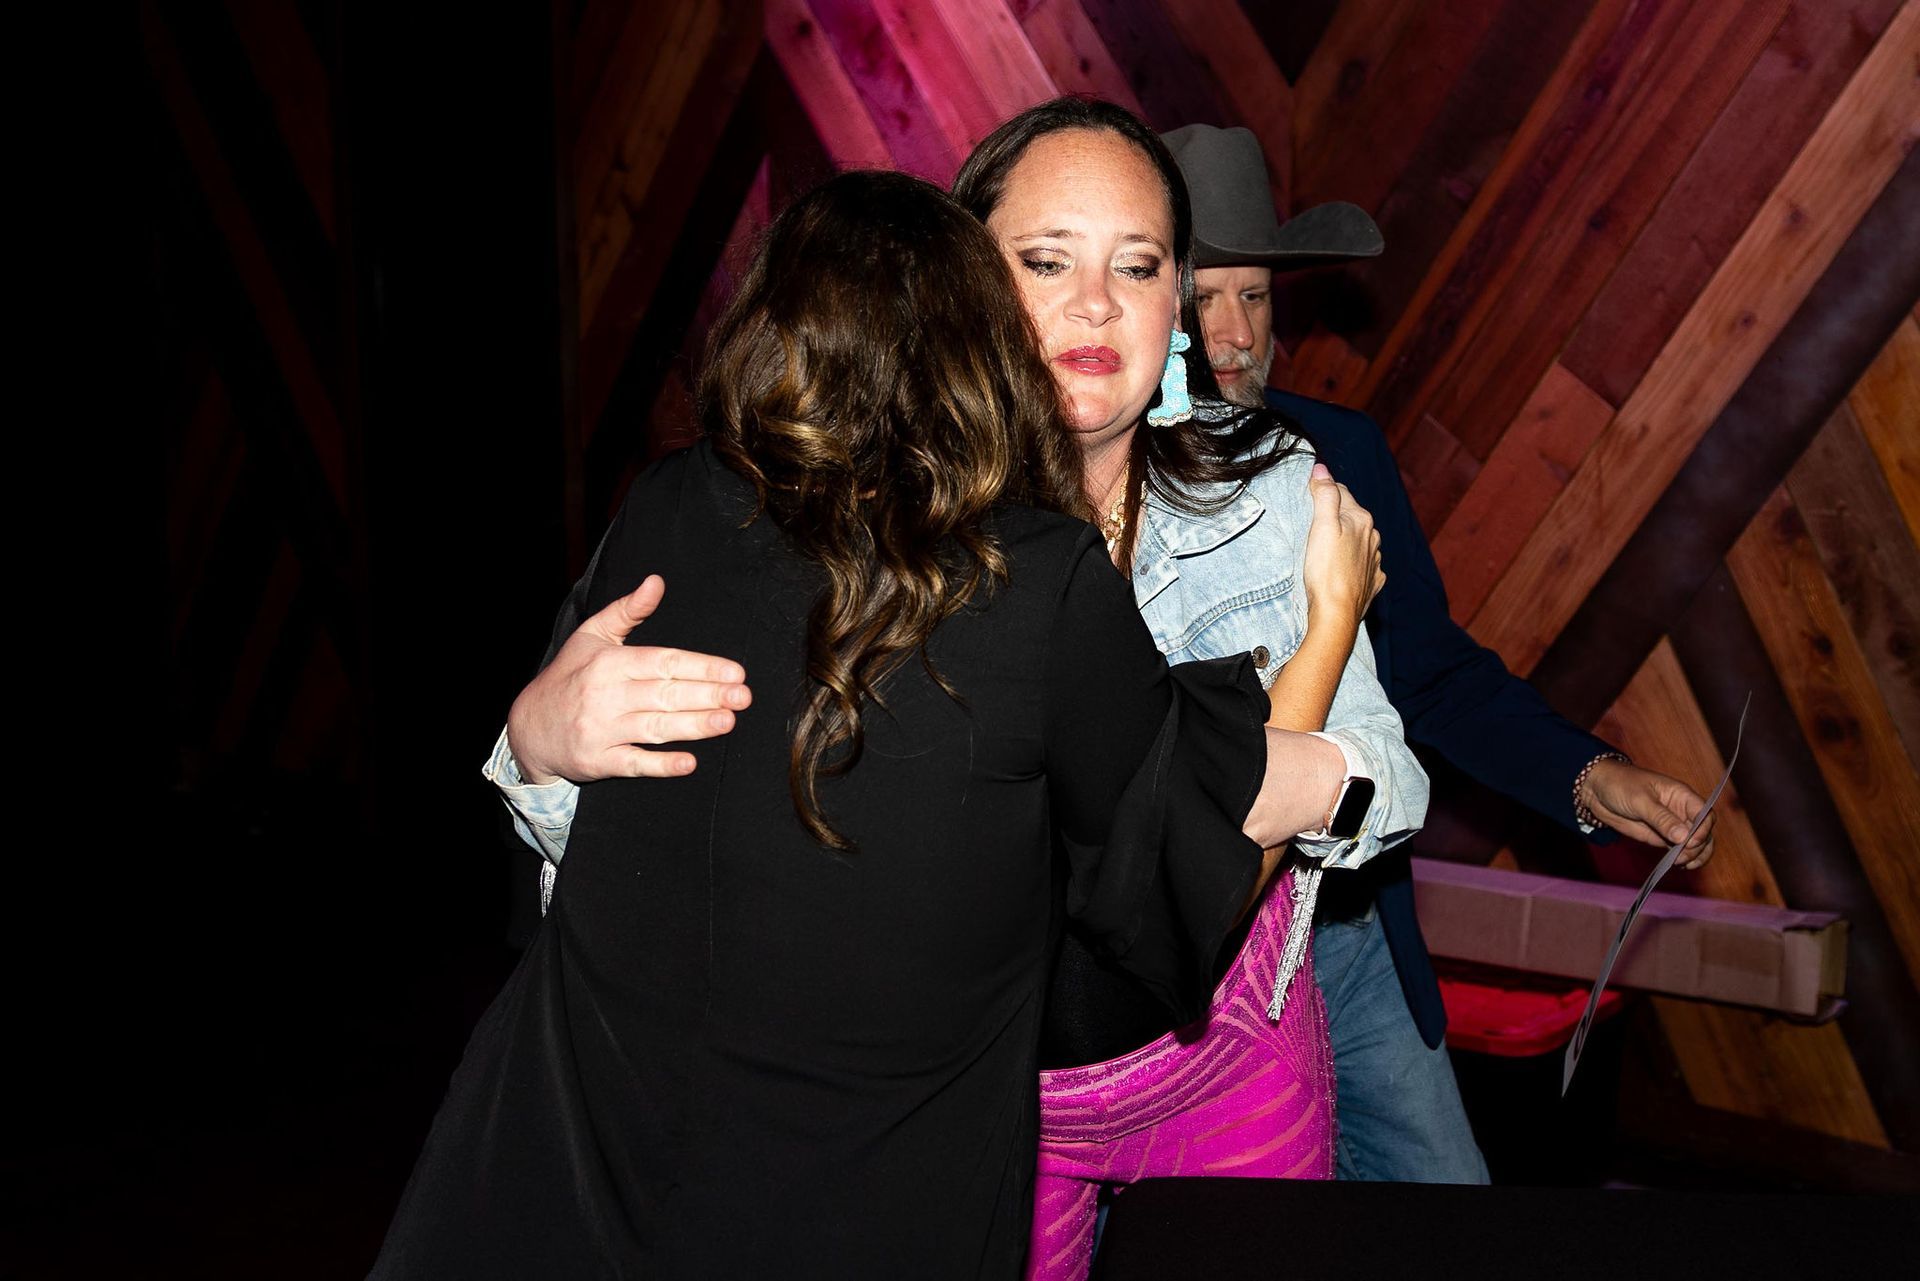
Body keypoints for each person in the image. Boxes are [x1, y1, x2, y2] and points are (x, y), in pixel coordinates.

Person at [376, 170, 1359, 1280]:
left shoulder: (669, 503)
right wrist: (1327, 644)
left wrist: (527, 741)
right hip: (851, 1205)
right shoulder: (1036, 583)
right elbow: (1183, 874)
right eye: (1043, 267)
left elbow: (584, 855)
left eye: (1135, 266)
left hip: (560, 1176)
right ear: (985, 339)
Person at [1161, 121, 1719, 1185]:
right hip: (1201, 966)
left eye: (1255, 297)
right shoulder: (1101, 483)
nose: (1234, 333)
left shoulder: (1342, 451)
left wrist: (1597, 778)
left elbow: (1433, 674)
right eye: (1203, 297)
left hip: (1351, 937)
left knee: (1442, 1201)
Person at [947, 99, 1426, 1281]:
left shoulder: (1270, 492)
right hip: (987, 1089)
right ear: (959, 288)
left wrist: (1302, 767)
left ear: (1175, 302)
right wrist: (547, 754)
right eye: (1046, 260)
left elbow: (1393, 772)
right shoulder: (900, 526)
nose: (1096, 302)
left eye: (1139, 264)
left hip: (1231, 1062)